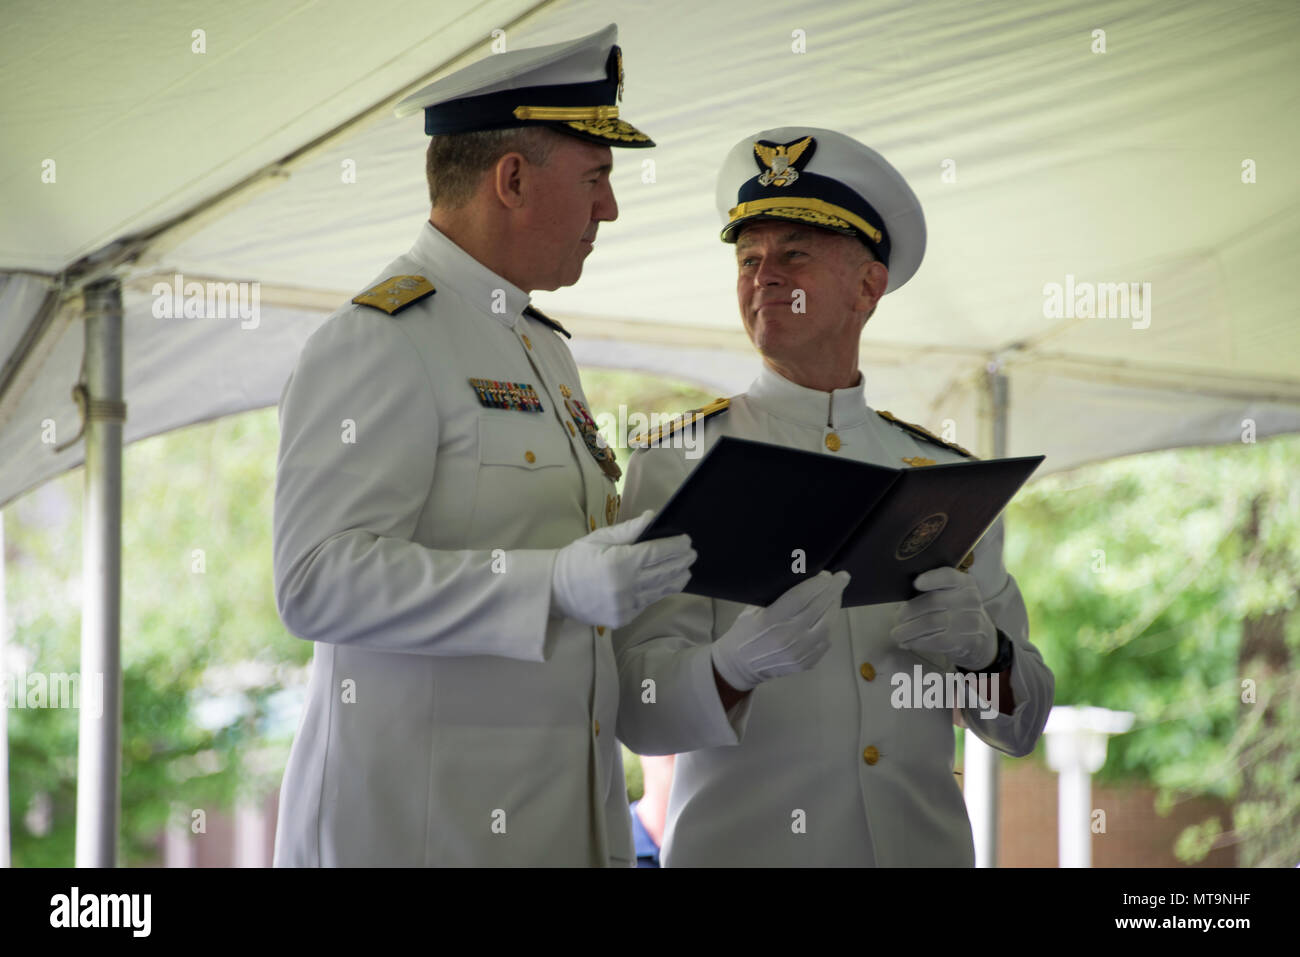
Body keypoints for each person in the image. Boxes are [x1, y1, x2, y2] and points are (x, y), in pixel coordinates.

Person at [271, 24, 696, 867]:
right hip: (421, 839)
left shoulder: (545, 348)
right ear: (511, 180)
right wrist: (554, 582)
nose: (609, 208)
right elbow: (315, 580)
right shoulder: (382, 340)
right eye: (597, 177)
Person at [613, 127, 1055, 866]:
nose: (764, 276)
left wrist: (987, 652)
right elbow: (636, 708)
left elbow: (1024, 722)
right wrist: (729, 667)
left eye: (794, 254)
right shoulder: (678, 463)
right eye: (749, 258)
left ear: (868, 286)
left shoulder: (942, 475)